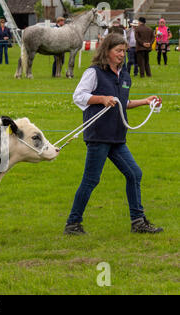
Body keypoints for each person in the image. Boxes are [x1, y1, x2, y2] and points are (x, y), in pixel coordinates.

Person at [64, 33, 163, 235]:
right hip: (99, 135)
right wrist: (101, 98)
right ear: (106, 51)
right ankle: (73, 224)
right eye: (118, 51)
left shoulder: (124, 75)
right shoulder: (94, 72)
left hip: (117, 136)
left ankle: (138, 222)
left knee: (134, 173)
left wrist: (145, 102)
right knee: (91, 180)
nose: (121, 55)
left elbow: (121, 103)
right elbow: (78, 96)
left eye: (124, 51)